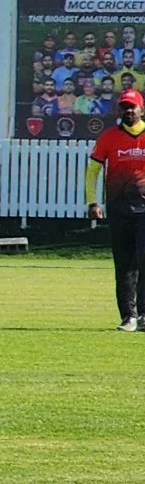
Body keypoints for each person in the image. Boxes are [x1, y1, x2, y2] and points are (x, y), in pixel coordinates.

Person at [89, 87, 145, 331]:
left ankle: (144, 315)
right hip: (118, 208)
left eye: (132, 107)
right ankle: (128, 317)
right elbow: (92, 171)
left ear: (141, 109)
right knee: (124, 264)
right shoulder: (109, 137)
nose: (128, 111)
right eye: (124, 107)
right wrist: (92, 201)